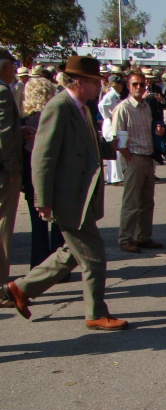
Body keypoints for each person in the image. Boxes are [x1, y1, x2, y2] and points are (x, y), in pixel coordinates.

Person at [0, 56, 128, 330]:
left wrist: (108, 148)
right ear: (79, 82)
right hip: (68, 198)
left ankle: (20, 289)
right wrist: (43, 200)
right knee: (93, 255)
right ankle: (96, 312)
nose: (99, 86)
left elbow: (83, 146)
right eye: (95, 82)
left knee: (71, 252)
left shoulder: (79, 106)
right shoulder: (58, 107)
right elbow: (42, 157)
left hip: (80, 197)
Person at [112, 70, 161, 253]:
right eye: (135, 84)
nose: (139, 88)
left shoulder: (146, 107)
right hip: (133, 156)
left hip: (147, 156)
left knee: (147, 202)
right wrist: (128, 157)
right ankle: (125, 238)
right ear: (128, 86)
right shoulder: (123, 108)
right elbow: (117, 137)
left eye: (142, 84)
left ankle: (143, 237)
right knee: (131, 202)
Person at [20, 75, 64, 269]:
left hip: (31, 177)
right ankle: (58, 268)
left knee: (37, 225)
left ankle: (38, 265)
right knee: (57, 224)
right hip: (54, 175)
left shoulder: (25, 123)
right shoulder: (54, 118)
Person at [0, 48, 23, 290]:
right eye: (13, 65)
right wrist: (13, 170)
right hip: (4, 174)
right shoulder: (2, 93)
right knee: (3, 230)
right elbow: (4, 136)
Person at [99, 74, 125, 185]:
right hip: (110, 126)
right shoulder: (111, 95)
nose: (122, 87)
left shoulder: (115, 95)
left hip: (112, 124)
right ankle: (116, 178)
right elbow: (102, 106)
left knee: (113, 152)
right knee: (115, 152)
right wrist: (108, 116)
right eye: (121, 84)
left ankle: (113, 177)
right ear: (117, 84)